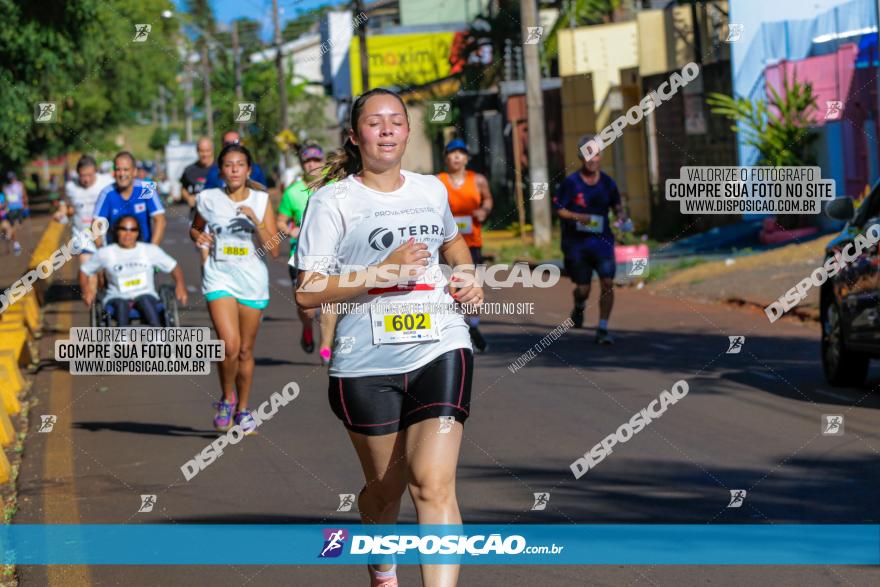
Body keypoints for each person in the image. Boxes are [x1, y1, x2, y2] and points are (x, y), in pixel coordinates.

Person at [295, 88, 483, 587]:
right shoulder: (330, 201)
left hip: (440, 345)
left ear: (407, 131)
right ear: (355, 137)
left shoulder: (430, 190)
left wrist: (468, 274)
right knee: (386, 490)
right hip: (365, 363)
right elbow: (308, 293)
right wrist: (380, 273)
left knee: (433, 484)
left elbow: (454, 242)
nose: (386, 130)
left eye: (396, 121)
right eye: (374, 123)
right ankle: (382, 568)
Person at [190, 143, 280, 434]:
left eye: (239, 165)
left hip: (251, 281)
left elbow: (275, 250)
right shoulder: (208, 198)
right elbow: (196, 227)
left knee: (244, 350)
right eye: (228, 165)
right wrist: (198, 237)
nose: (234, 170)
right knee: (228, 345)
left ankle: (242, 409)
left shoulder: (261, 200)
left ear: (248, 170)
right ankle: (226, 399)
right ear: (221, 170)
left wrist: (256, 222)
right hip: (219, 277)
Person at [552, 134, 630, 344]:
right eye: (588, 154)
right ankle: (579, 305)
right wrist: (579, 217)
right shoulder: (571, 183)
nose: (593, 159)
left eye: (596, 154)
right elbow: (559, 210)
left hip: (602, 243)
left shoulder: (608, 183)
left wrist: (622, 219)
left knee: (607, 282)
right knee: (583, 288)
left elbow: (617, 207)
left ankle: (603, 327)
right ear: (580, 156)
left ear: (601, 156)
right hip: (577, 245)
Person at [276, 144, 337, 363]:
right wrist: (290, 229)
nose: (312, 165)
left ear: (323, 163)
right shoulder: (292, 192)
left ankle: (325, 347)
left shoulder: (334, 187)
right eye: (307, 161)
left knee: (330, 300)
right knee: (309, 309)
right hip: (300, 255)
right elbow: (281, 221)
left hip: (331, 255)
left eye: (316, 161)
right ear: (302, 165)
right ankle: (307, 327)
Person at [436, 138, 493, 352]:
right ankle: (453, 328)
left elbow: (487, 199)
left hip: (472, 243)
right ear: (446, 157)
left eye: (461, 153)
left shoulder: (477, 180)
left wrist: (484, 211)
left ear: (467, 157)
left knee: (471, 285)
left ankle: (474, 326)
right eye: (452, 152)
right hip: (445, 246)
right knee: (448, 286)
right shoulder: (438, 181)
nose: (457, 156)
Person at [79, 215, 187, 326]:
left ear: (138, 233)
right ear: (117, 231)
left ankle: (157, 337)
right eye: (123, 229)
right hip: (116, 297)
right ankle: (122, 339)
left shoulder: (149, 250)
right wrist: (86, 290)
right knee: (122, 304)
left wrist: (180, 285)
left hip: (146, 294)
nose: (128, 234)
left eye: (132, 230)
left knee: (145, 300)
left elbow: (173, 266)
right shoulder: (105, 253)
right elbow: (84, 271)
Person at [94, 151, 167, 246]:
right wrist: (102, 252)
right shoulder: (107, 193)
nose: (122, 173)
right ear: (114, 172)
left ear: (134, 172)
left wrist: (152, 249)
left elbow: (160, 220)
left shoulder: (146, 188)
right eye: (118, 169)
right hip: (115, 253)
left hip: (143, 250)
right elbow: (96, 225)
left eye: (126, 169)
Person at [180, 137, 214, 214]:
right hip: (197, 214)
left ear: (212, 150)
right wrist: (188, 198)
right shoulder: (189, 170)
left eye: (207, 151)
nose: (205, 154)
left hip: (218, 213)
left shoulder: (221, 168)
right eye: (201, 151)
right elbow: (183, 189)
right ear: (197, 151)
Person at [2, 172, 29, 255]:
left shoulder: (20, 185)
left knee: (19, 226)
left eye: (12, 177)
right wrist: (5, 207)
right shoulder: (6, 187)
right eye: (10, 178)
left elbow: (24, 195)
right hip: (11, 209)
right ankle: (16, 244)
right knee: (13, 226)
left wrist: (25, 204)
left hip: (19, 208)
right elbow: (6, 199)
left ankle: (12, 239)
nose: (11, 179)